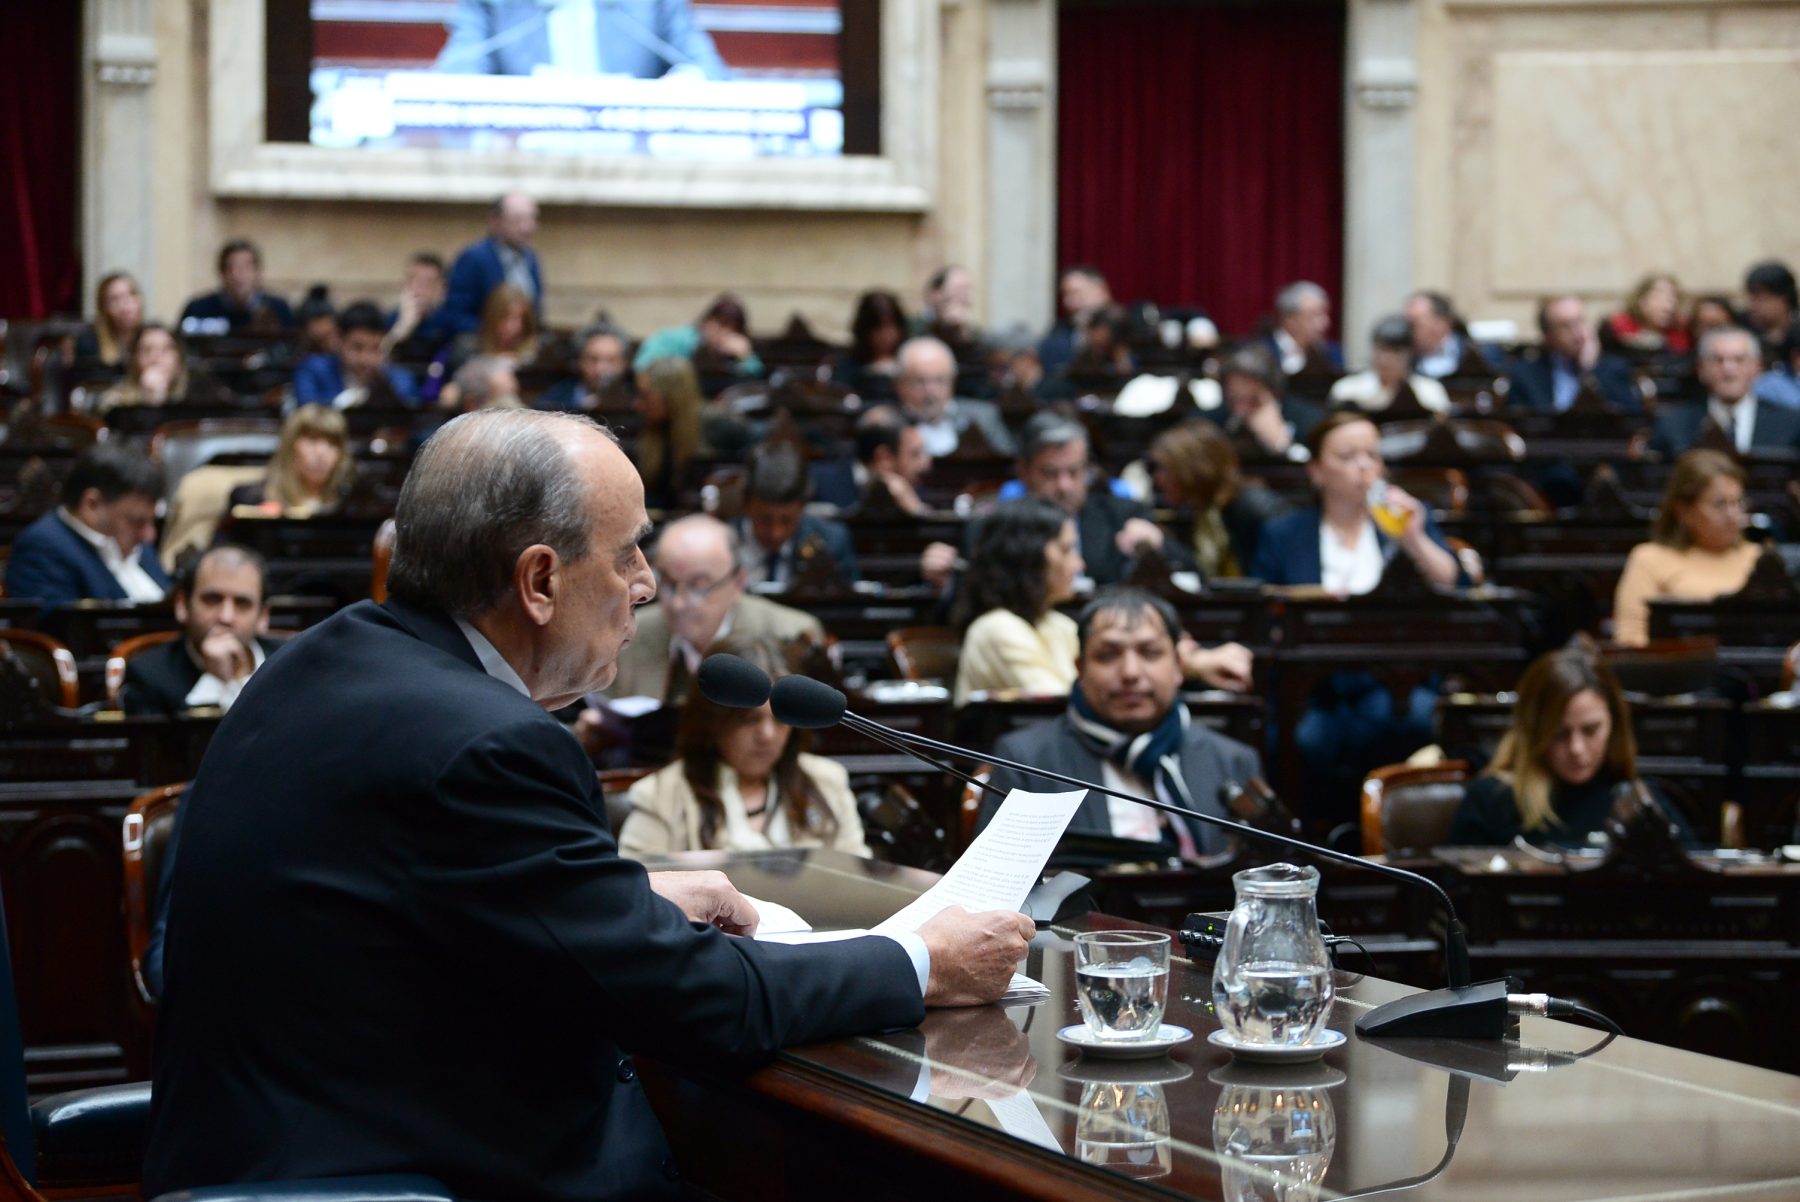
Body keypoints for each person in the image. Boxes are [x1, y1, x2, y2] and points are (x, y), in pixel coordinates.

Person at [142, 408, 1032, 1199]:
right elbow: (700, 1006)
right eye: (627, 553)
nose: (644, 585)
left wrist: (623, 901)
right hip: (401, 1169)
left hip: (257, 1144)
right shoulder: (493, 744)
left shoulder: (321, 659)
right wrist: (919, 959)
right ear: (538, 581)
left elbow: (409, 903)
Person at [1250, 411, 1468, 821]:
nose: (1365, 466)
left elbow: (1453, 587)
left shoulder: (1401, 523)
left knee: (1420, 719)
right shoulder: (1285, 533)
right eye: (1348, 456)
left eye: (1373, 455)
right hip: (1317, 689)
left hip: (1398, 684)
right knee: (1306, 738)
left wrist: (1415, 538)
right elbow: (1264, 608)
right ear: (1316, 471)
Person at [975, 589, 1261, 857]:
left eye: (1150, 653)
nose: (1130, 672)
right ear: (1080, 668)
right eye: (1108, 655)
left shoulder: (1233, 761)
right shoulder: (1026, 761)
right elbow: (1002, 896)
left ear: (1177, 666)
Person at [619, 635, 870, 857]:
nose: (767, 735)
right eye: (749, 720)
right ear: (713, 721)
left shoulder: (827, 782)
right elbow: (637, 893)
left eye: (781, 720)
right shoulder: (660, 796)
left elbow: (862, 889)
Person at [1448, 644, 1690, 847]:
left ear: (1614, 725)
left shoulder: (1639, 803)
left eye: (1591, 730)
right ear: (1534, 732)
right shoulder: (1490, 800)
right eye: (1559, 734)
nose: (1577, 749)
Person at [605, 514, 822, 701]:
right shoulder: (627, 635)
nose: (678, 603)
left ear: (738, 582)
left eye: (698, 586)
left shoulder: (791, 635)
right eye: (668, 583)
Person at [1611, 449, 1760, 647]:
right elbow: (1630, 638)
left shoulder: (1759, 559)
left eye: (1738, 503)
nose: (1733, 516)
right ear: (1684, 510)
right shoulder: (1649, 559)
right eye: (1720, 504)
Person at [951, 497, 1083, 707]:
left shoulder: (1061, 625)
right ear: (1030, 555)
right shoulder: (994, 628)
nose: (1079, 565)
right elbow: (1060, 705)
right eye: (1066, 550)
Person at [121, 545, 283, 716]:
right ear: (182, 605)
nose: (226, 617)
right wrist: (216, 682)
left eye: (242, 603)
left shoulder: (292, 664)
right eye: (212, 600)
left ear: (263, 616)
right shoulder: (148, 676)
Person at [5, 445, 168, 613]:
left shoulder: (138, 542)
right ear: (92, 504)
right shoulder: (40, 548)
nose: (149, 535)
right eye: (137, 521)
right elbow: (61, 631)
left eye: (152, 521)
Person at [1137, 420, 1290, 580]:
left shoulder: (1253, 508)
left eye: (1162, 467)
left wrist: (1162, 543)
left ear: (1191, 468)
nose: (1156, 478)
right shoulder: (1204, 509)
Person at [437, 0, 727, 80]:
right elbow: (457, 78)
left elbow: (710, 72)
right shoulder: (493, 3)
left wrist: (681, 87)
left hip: (630, 169)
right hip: (523, 168)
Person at [1648, 326, 1800, 457]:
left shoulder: (1791, 424)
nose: (1728, 370)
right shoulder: (1674, 424)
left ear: (1758, 368)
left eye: (1739, 360)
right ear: (1701, 369)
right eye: (1718, 360)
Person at [734, 442, 858, 587]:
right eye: (765, 519)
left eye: (787, 520)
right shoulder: (719, 545)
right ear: (746, 504)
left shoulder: (831, 543)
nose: (776, 533)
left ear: (802, 507)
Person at [1505, 294, 1641, 413]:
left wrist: (1589, 370)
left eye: (1580, 321)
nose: (1578, 334)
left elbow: (1630, 419)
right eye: (1566, 326)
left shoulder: (1614, 369)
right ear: (1548, 336)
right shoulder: (1526, 376)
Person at [440, 193, 544, 336]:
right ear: (496, 221)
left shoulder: (531, 259)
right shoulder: (474, 258)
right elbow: (456, 314)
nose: (526, 228)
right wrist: (493, 335)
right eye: (517, 220)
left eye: (532, 219)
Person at [895, 336, 1015, 457]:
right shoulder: (891, 424)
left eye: (939, 380)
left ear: (953, 381)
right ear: (900, 384)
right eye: (919, 381)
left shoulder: (983, 417)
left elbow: (1009, 463)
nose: (930, 391)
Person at [229, 406, 357, 515]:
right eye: (312, 440)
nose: (321, 452)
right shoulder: (249, 499)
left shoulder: (354, 505)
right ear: (290, 447)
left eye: (332, 443)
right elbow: (225, 544)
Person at [293, 301, 418, 409]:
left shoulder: (399, 379)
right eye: (357, 347)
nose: (366, 358)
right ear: (339, 341)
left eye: (375, 348)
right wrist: (350, 399)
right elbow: (308, 415)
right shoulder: (312, 370)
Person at [1217, 344, 1323, 461]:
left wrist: (1282, 445)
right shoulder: (1213, 420)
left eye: (1252, 400)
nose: (1240, 409)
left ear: (1274, 392)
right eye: (1233, 399)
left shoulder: (1309, 421)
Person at [1327, 315, 1451, 415]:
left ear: (1410, 354)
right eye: (1380, 349)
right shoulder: (1347, 390)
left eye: (1395, 352)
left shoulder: (1430, 392)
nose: (1385, 359)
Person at [630, 356, 707, 510]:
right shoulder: (653, 431)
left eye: (645, 396)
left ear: (671, 397)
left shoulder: (717, 426)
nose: (637, 405)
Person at [179, 240, 294, 335]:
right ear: (222, 273)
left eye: (246, 268)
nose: (238, 275)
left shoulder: (278, 309)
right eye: (231, 268)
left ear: (258, 273)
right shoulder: (198, 309)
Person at [634, 294, 763, 380]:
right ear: (706, 322)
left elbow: (757, 376)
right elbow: (642, 366)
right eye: (721, 324)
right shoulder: (681, 339)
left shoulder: (733, 353)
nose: (725, 333)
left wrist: (746, 356)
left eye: (734, 329)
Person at [96, 323, 211, 413]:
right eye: (147, 350)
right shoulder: (115, 403)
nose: (155, 357)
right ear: (134, 360)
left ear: (179, 358)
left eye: (165, 349)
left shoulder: (201, 397)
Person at [828, 290, 909, 402]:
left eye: (891, 327)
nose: (885, 335)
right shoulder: (848, 364)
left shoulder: (910, 359)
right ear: (864, 330)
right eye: (878, 329)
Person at [854, 405, 933, 515]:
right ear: (884, 458)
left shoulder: (916, 488)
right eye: (915, 454)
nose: (926, 464)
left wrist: (917, 510)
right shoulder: (824, 487)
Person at [1405, 290, 1497, 379]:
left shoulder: (1481, 355)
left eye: (1413, 324)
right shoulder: (1406, 361)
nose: (1408, 331)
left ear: (1441, 323)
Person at [540, 325, 632, 413]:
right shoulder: (554, 400)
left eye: (611, 360)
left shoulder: (637, 401)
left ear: (624, 363)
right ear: (579, 361)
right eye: (592, 359)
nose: (600, 369)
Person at [1261, 281, 1344, 377]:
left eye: (1325, 314)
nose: (1325, 323)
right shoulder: (1259, 352)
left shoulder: (1333, 354)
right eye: (1314, 315)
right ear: (1289, 319)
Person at [1599, 272, 1690, 360]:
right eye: (1659, 297)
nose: (1668, 306)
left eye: (1672, 298)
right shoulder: (1615, 331)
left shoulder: (1683, 336)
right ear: (1641, 300)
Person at [1039, 265, 1112, 375]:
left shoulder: (1127, 323)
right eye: (1065, 295)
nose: (1067, 302)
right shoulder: (1059, 333)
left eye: (1075, 292)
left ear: (1100, 290)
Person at [73, 271, 145, 379]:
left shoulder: (152, 338)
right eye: (115, 299)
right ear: (104, 308)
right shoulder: (89, 344)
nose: (125, 305)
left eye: (131, 294)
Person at [384, 252, 450, 362]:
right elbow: (377, 360)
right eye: (412, 280)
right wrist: (402, 328)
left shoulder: (450, 322)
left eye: (428, 283)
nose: (418, 289)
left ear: (442, 288)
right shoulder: (390, 320)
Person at [1743, 260, 1798, 365]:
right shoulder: (1745, 333)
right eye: (1751, 298)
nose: (1752, 305)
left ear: (1783, 300)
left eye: (1760, 298)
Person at [917, 265, 979, 351]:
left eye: (968, 289)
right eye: (959, 289)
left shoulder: (975, 334)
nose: (965, 296)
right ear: (935, 295)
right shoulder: (916, 327)